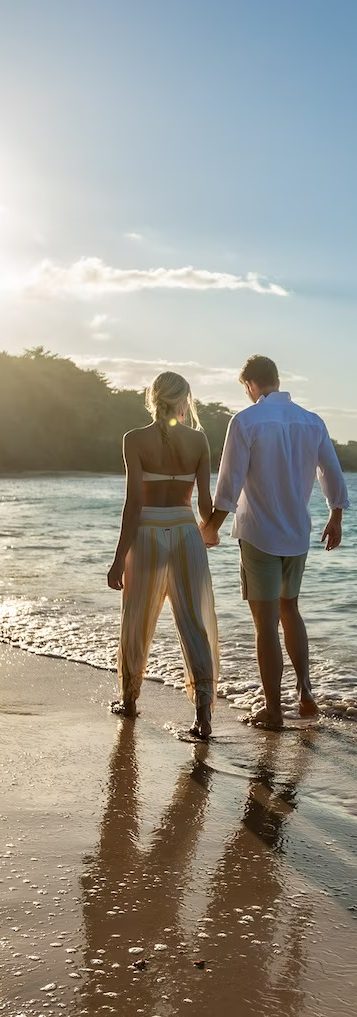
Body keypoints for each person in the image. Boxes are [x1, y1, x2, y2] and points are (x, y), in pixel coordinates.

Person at [202, 354, 349, 730]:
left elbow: (230, 482)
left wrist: (212, 526)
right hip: (297, 533)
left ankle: (272, 710)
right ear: (277, 380)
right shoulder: (311, 420)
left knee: (265, 625)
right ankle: (306, 693)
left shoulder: (247, 420)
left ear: (251, 384)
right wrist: (336, 515)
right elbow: (330, 470)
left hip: (259, 534)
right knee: (291, 610)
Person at [107, 371, 219, 738]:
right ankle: (203, 716)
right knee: (194, 624)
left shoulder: (134, 439)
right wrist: (211, 528)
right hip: (187, 534)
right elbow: (205, 503)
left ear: (152, 397)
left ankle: (130, 700)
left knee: (136, 620)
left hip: (148, 534)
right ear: (185, 398)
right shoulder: (199, 440)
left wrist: (118, 557)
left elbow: (134, 504)